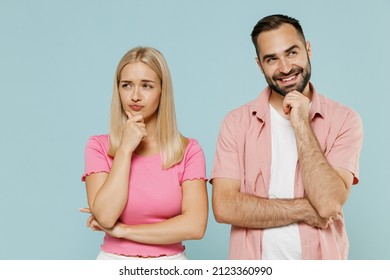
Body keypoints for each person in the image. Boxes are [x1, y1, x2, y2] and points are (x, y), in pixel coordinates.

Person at [211, 14, 363, 259]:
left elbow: (327, 203)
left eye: (292, 53)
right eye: (272, 59)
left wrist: (302, 123)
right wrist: (303, 209)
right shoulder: (236, 123)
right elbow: (224, 206)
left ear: (308, 49)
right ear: (260, 65)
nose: (284, 68)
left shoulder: (344, 120)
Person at [80, 46, 208, 260]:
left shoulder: (188, 150)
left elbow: (195, 226)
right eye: (126, 85)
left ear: (162, 90)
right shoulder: (98, 146)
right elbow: (105, 216)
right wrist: (124, 150)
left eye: (146, 86)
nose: (135, 96)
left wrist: (125, 231)